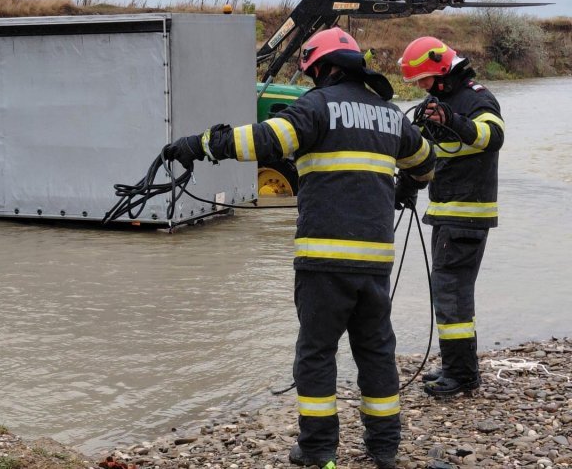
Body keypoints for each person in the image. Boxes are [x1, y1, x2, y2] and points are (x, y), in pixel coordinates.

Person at [164, 27, 435, 469]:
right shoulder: (389, 115)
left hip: (324, 262)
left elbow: (265, 141)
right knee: (376, 352)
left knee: (316, 353)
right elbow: (426, 164)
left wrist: (199, 145)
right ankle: (384, 448)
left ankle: (318, 451)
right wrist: (406, 186)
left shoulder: (316, 107)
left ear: (322, 68)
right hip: (375, 264)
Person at [398, 37, 505, 397]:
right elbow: (423, 153)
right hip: (446, 213)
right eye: (419, 83)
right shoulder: (437, 103)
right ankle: (456, 366)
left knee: (452, 294)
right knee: (449, 292)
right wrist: (407, 187)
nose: (422, 87)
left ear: (443, 71)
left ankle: (461, 375)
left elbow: (494, 136)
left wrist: (455, 121)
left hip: (466, 216)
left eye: (425, 80)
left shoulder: (477, 98)